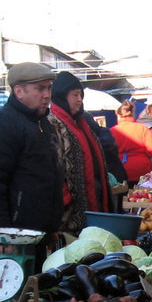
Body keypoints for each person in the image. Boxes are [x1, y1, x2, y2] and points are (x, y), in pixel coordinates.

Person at [0, 62, 64, 271]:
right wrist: (1, 237)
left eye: (49, 88)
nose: (47, 95)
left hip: (37, 235)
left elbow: (47, 178)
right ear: (18, 91)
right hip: (14, 239)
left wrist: (51, 228)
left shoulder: (42, 124)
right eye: (40, 88)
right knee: (16, 296)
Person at [48, 71, 111, 235]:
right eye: (75, 95)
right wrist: (65, 199)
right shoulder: (53, 124)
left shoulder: (81, 123)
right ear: (62, 96)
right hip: (72, 211)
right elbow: (52, 165)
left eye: (81, 95)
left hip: (93, 199)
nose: (79, 100)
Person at [110, 100, 152, 186]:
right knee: (142, 197)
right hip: (142, 171)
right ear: (133, 113)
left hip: (121, 172)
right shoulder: (142, 128)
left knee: (124, 198)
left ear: (118, 115)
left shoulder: (112, 131)